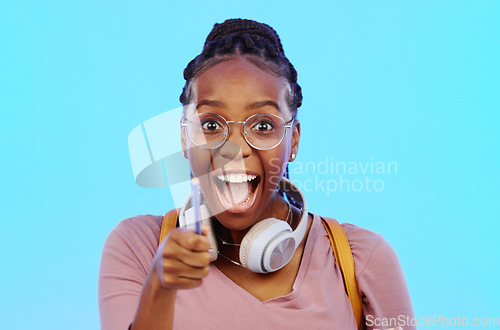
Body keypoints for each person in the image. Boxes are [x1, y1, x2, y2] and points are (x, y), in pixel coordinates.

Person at [98, 19, 415, 330]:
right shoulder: (139, 248)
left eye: (263, 125)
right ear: (184, 138)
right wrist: (159, 291)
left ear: (294, 140)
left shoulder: (360, 260)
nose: (234, 149)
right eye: (211, 125)